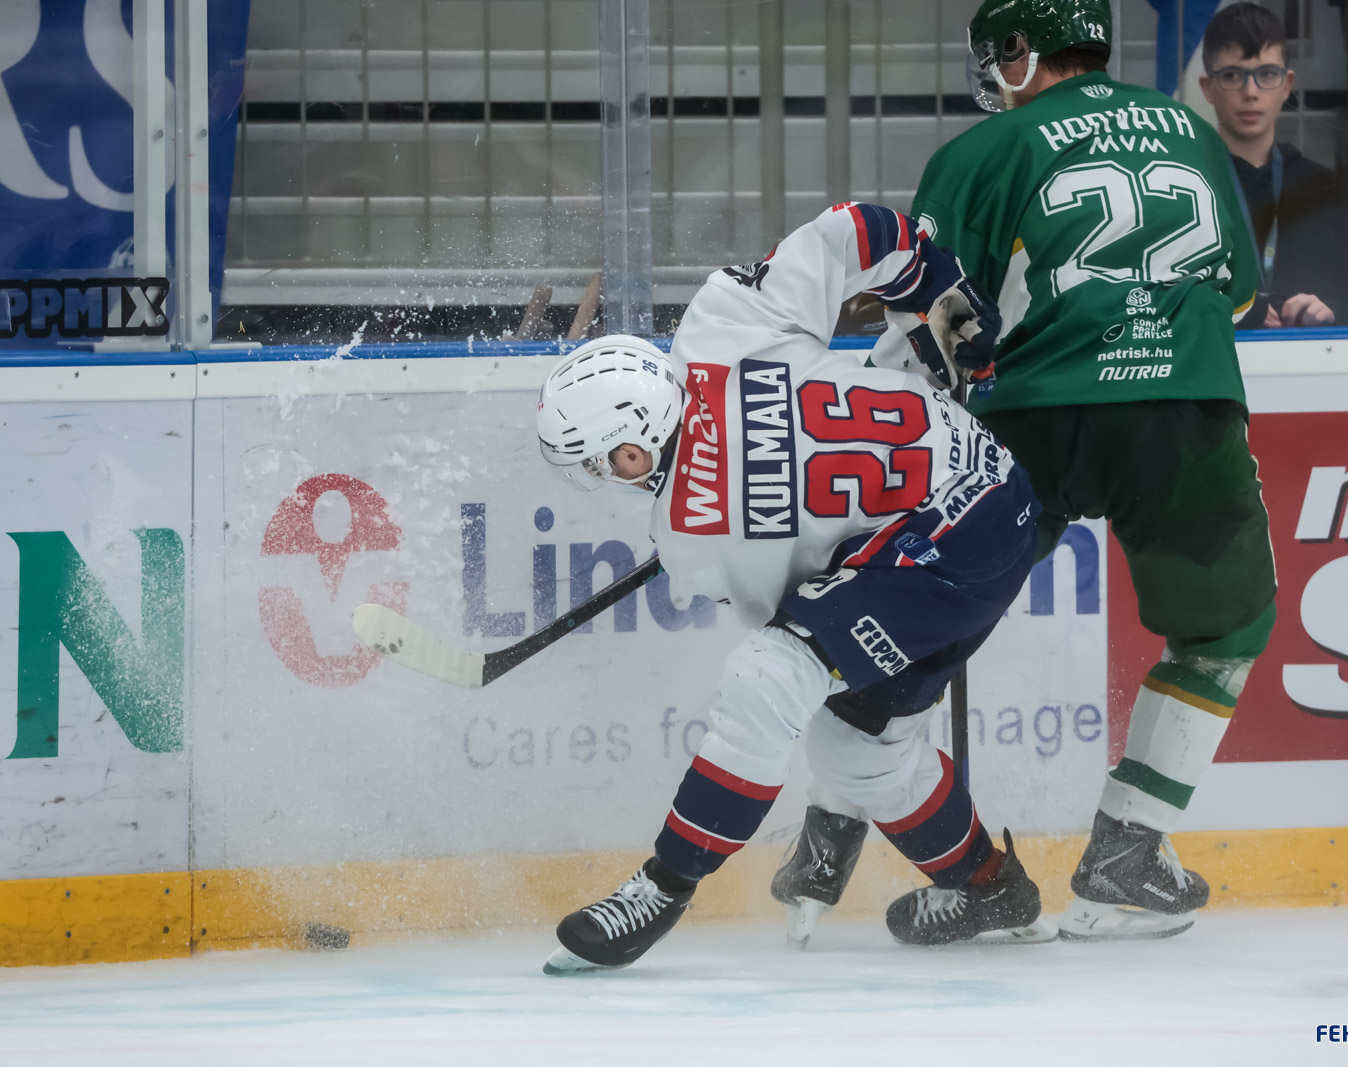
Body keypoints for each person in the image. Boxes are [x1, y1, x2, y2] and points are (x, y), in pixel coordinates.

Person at [779, 0, 1278, 944]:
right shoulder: (1194, 133)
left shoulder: (984, 151)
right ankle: (1131, 843)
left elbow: (928, 317)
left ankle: (827, 838)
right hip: (1185, 410)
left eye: (994, 56)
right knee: (1224, 627)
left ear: (1020, 51)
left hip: (1026, 422)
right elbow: (1242, 294)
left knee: (901, 622)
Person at [534, 202, 1060, 974]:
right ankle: (992, 888)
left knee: (768, 678)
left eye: (601, 463)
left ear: (633, 450)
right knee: (856, 749)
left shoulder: (691, 538)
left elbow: (787, 654)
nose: (606, 478)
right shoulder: (720, 321)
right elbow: (855, 230)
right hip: (978, 487)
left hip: (952, 541)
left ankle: (664, 885)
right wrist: (939, 294)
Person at [1197, 3, 1348, 328]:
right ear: (1208, 88)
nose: (1251, 92)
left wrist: (1333, 310)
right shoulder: (1184, 187)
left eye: (1266, 74)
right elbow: (1155, 304)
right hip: (1217, 359)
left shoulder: (1325, 190)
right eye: (1232, 76)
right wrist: (1235, 312)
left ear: (1287, 85)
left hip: (1309, 358)